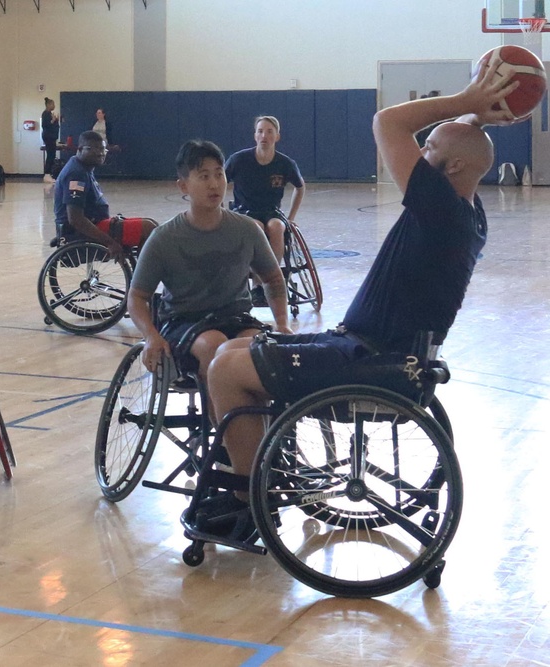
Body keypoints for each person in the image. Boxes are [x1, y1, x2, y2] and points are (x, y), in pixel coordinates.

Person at [200, 58, 514, 537]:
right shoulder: (467, 213)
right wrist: (476, 115)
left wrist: (466, 101)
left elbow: (386, 121)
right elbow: (462, 148)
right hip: (382, 350)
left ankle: (248, 506)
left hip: (369, 358)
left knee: (223, 368)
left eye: (426, 147)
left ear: (448, 168)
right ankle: (264, 467)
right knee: (233, 348)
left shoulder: (439, 210)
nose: (418, 149)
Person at [128, 140, 291, 398]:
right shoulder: (164, 238)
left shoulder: (247, 229)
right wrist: (150, 335)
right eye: (204, 176)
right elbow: (137, 297)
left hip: (236, 317)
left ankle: (258, 424)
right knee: (213, 344)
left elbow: (272, 278)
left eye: (219, 174)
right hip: (184, 322)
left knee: (258, 346)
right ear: (183, 186)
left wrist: (282, 323)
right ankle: (225, 431)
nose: (214, 184)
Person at [53, 130, 156, 259]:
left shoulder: (83, 168)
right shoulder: (76, 174)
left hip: (96, 223)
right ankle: (143, 275)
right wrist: (110, 242)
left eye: (103, 149)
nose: (101, 153)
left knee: (152, 225)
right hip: (81, 232)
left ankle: (142, 272)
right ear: (79, 149)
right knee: (148, 228)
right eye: (95, 149)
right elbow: (75, 219)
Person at [224, 116, 305, 269]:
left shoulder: (285, 163)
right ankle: (257, 281)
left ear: (277, 136)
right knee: (256, 227)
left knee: (277, 227)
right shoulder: (239, 160)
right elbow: (220, 182)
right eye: (260, 131)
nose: (264, 136)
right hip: (244, 210)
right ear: (255, 136)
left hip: (271, 211)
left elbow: (300, 187)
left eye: (269, 132)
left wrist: (291, 217)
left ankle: (273, 274)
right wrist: (220, 211)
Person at [42, 97, 61, 184]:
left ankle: (49, 174)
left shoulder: (50, 114)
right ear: (49, 105)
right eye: (53, 104)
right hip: (48, 137)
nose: (54, 106)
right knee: (50, 155)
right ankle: (47, 174)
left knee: (52, 155)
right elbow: (45, 125)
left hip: (52, 137)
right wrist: (53, 121)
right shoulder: (45, 114)